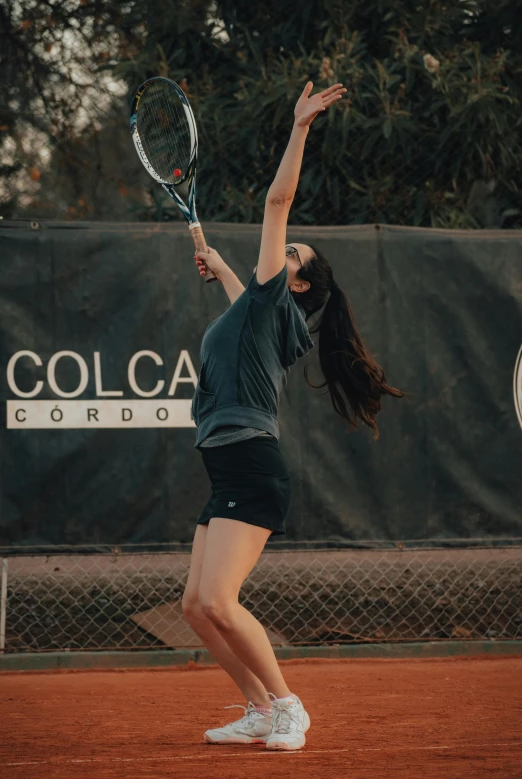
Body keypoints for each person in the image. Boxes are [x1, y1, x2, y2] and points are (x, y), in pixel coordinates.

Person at [182, 81, 404, 752]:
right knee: (195, 607)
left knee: (220, 601)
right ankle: (255, 708)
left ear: (296, 283)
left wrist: (301, 126)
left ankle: (288, 705)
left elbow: (278, 200)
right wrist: (220, 264)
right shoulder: (261, 312)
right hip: (225, 460)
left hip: (251, 462)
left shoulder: (273, 301)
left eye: (292, 254)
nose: (283, 250)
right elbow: (242, 295)